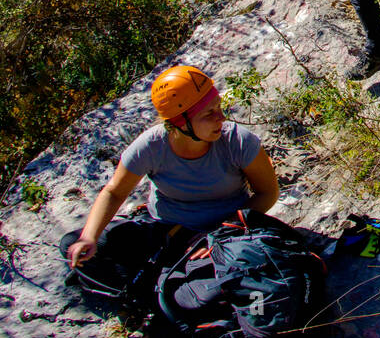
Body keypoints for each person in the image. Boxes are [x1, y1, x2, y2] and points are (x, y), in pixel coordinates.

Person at [69, 64, 283, 273]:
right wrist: (89, 237)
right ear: (179, 123)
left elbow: (267, 192)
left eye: (218, 107)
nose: (221, 118)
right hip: (166, 230)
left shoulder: (237, 141)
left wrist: (224, 232)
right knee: (75, 244)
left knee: (225, 271)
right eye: (209, 114)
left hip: (227, 230)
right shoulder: (151, 147)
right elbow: (114, 192)